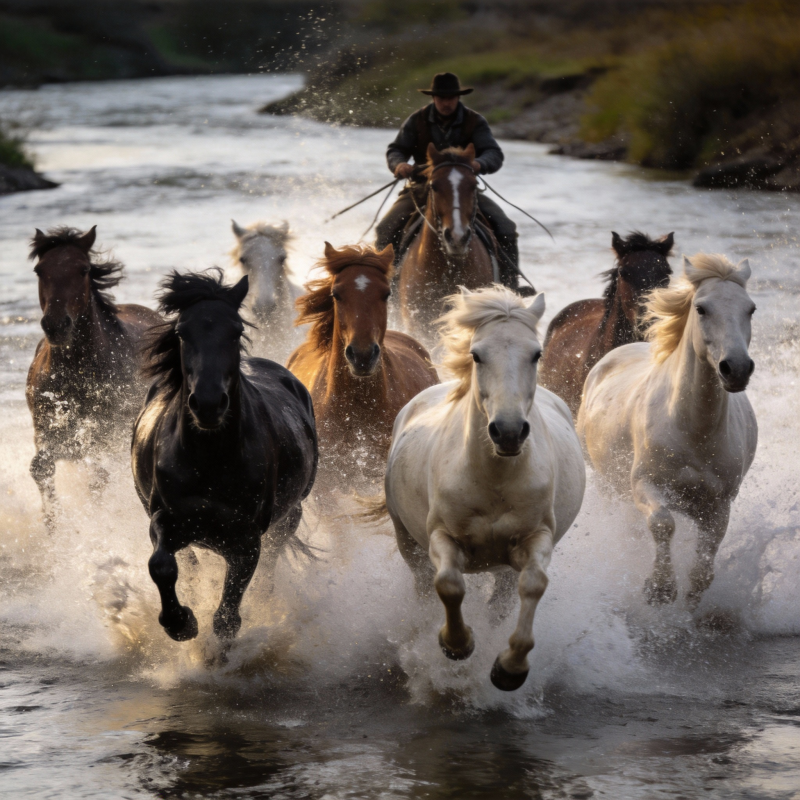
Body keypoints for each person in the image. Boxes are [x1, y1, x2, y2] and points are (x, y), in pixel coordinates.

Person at [375, 72, 519, 286]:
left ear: (458, 98)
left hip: (462, 189)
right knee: (385, 229)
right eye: (441, 98)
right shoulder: (417, 120)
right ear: (433, 98)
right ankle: (381, 286)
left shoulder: (475, 121)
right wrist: (399, 165)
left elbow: (493, 153)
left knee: (506, 228)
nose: (446, 102)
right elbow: (396, 149)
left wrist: (479, 164)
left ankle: (511, 286)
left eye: (450, 98)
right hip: (421, 188)